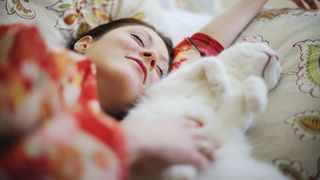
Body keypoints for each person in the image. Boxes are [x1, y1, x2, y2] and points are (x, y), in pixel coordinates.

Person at [0, 0, 317, 179]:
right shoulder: (29, 57)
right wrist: (131, 143)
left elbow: (197, 51)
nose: (151, 57)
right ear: (84, 43)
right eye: (139, 41)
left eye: (160, 68)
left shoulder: (145, 123)